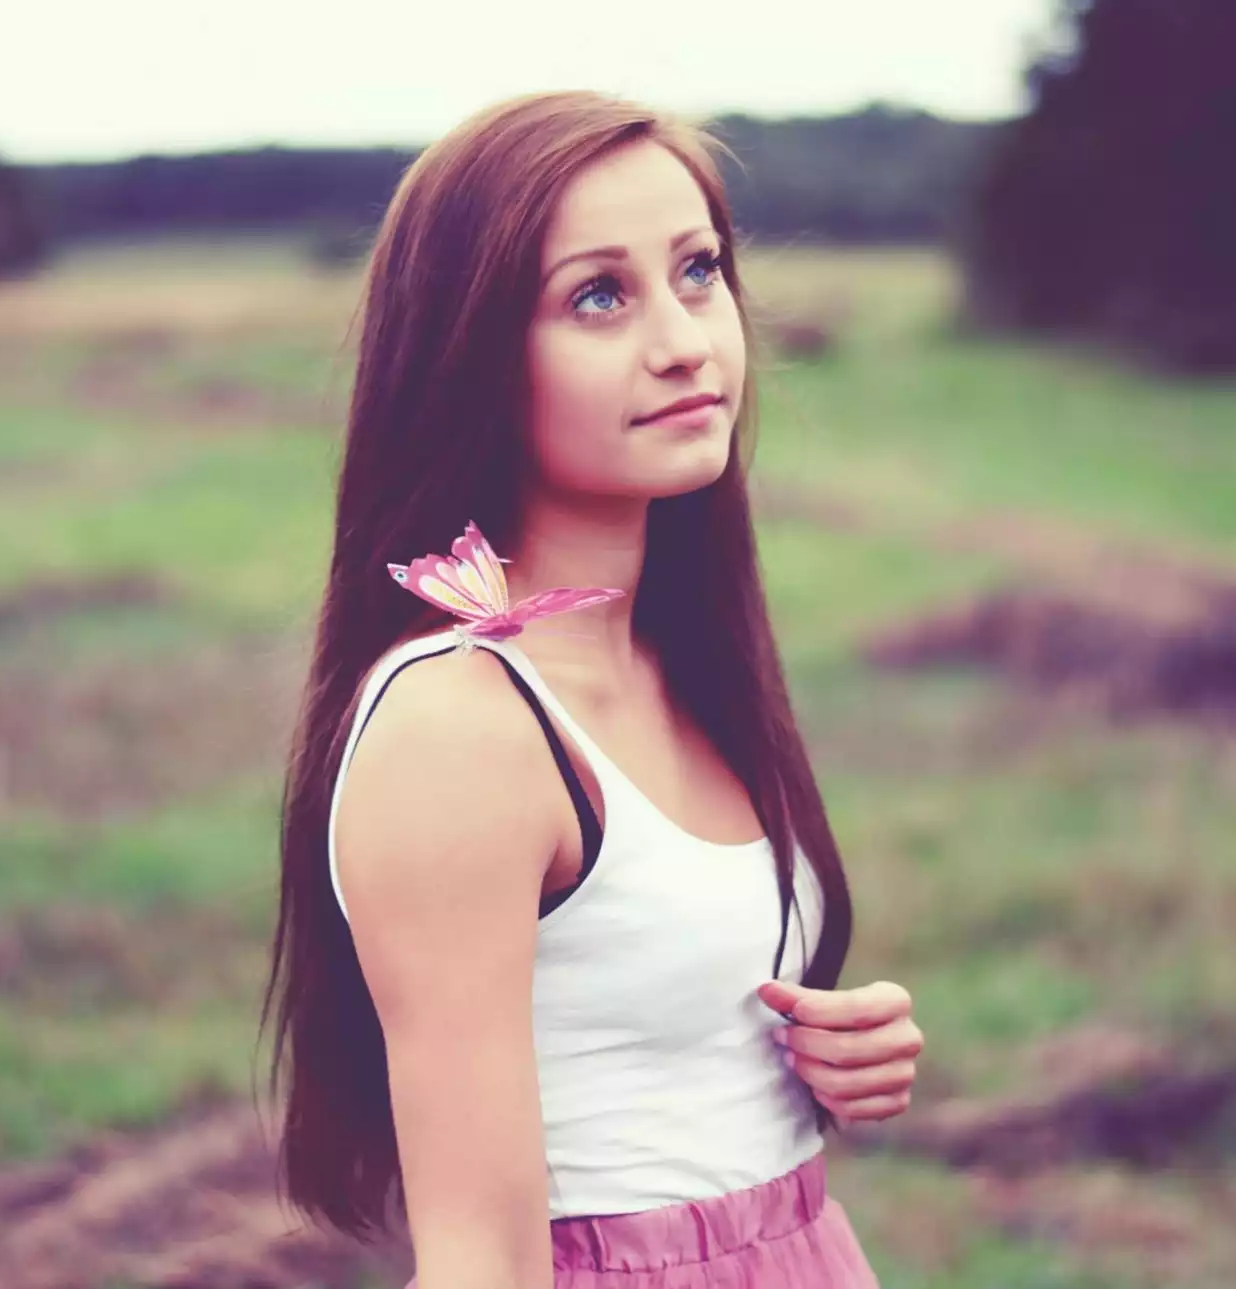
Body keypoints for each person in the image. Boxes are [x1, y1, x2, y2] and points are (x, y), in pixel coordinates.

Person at [259, 89, 924, 1288]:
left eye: (698, 271)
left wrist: (831, 1052)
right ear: (470, 356)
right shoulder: (462, 727)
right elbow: (481, 1262)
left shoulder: (681, 659)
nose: (683, 340)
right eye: (599, 296)